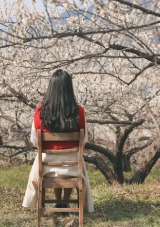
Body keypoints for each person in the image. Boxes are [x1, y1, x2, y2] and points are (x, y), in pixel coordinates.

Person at [22, 69, 94, 214]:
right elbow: (83, 141)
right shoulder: (79, 111)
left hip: (47, 168)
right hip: (73, 168)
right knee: (71, 162)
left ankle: (58, 202)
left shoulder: (39, 112)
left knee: (47, 159)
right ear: (69, 88)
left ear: (51, 88)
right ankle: (65, 202)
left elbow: (35, 141)